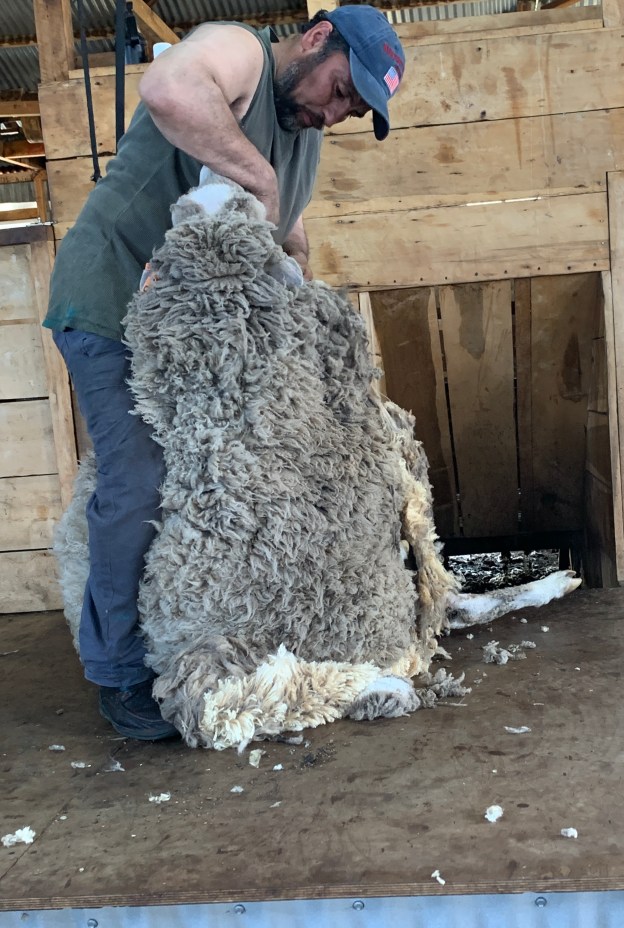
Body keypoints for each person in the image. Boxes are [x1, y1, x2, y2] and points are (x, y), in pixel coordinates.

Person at [44, 6, 406, 741]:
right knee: (139, 476)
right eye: (341, 89)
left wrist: (299, 282)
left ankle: (219, 633)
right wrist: (257, 177)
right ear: (316, 40)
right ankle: (117, 670)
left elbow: (287, 225)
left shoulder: (303, 135)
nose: (337, 112)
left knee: (243, 476)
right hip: (113, 304)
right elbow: (168, 88)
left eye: (355, 110)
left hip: (202, 337)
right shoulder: (241, 54)